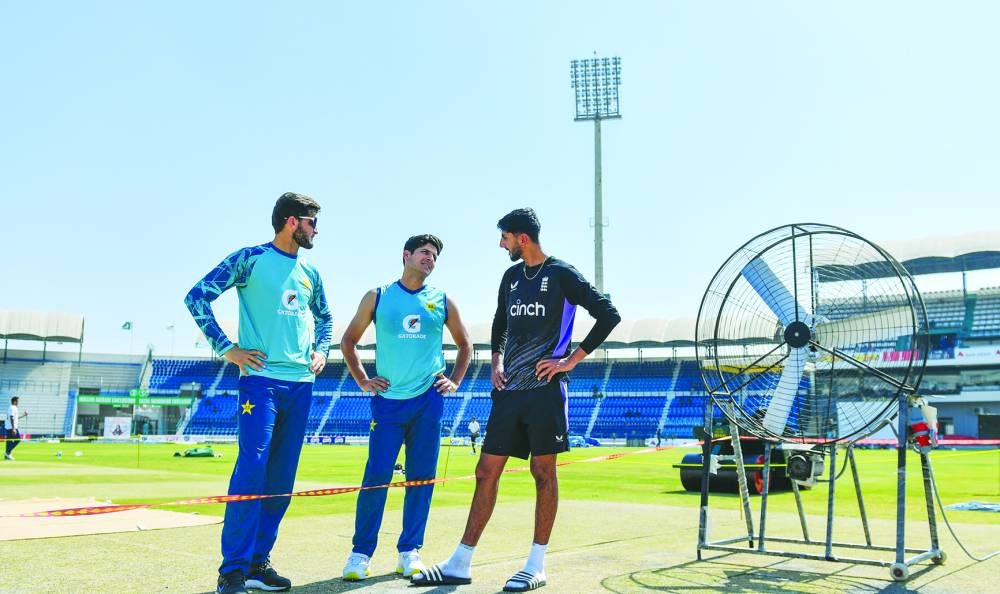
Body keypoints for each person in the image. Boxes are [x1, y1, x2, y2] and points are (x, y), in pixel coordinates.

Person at [414, 207, 621, 592]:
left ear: (521, 238)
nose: (501, 244)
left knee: (543, 475)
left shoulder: (562, 274)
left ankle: (536, 565)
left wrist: (569, 361)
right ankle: (460, 561)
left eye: (504, 237)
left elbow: (608, 314)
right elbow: (500, 322)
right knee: (485, 472)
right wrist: (495, 359)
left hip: (546, 393)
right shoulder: (510, 277)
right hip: (509, 393)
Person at [184, 192, 332, 594]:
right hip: (260, 383)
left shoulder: (310, 273)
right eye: (312, 222)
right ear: (291, 222)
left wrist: (321, 349)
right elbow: (196, 296)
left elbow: (326, 317)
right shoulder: (248, 259)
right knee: (253, 470)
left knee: (282, 480)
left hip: (301, 384)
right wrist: (226, 348)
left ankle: (257, 562)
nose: (316, 229)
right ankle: (231, 570)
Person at [341, 234, 472, 582]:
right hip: (387, 403)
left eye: (435, 255)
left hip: (428, 401)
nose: (431, 259)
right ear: (406, 255)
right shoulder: (378, 296)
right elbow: (348, 341)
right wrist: (363, 380)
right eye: (425, 253)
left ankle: (409, 551)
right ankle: (360, 554)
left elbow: (465, 345)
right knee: (376, 478)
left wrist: (455, 380)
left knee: (421, 480)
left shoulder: (442, 300)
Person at [5, 396, 27, 460]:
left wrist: (23, 415)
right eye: (18, 401)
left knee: (9, 441)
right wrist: (14, 428)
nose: (18, 402)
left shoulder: (12, 408)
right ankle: (7, 453)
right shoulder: (13, 407)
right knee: (18, 439)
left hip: (10, 427)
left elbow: (15, 418)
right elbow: (11, 417)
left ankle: (7, 455)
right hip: (11, 427)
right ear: (15, 401)